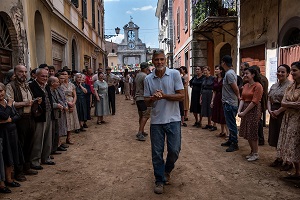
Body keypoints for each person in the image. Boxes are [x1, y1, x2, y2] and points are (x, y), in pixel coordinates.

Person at [144, 49, 184, 194]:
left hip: (173, 119)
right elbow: (146, 102)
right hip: (156, 121)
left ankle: (167, 170)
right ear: (152, 61)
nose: (159, 62)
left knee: (174, 150)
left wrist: (164, 95)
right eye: (156, 60)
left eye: (162, 59)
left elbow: (181, 96)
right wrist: (153, 98)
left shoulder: (174, 74)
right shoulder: (148, 79)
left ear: (165, 60)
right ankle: (159, 180)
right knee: (157, 152)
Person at [5, 65, 38, 180]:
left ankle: (27, 167)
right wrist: (24, 103)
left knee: (29, 144)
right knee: (20, 145)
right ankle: (18, 172)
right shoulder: (10, 86)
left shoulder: (26, 85)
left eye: (25, 72)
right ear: (15, 72)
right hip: (19, 119)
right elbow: (10, 103)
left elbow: (29, 101)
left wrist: (34, 102)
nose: (23, 74)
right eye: (21, 72)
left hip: (30, 117)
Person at [277, 61, 300, 179]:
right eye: (291, 70)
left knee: (297, 145)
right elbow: (283, 102)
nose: (292, 73)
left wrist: (288, 104)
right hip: (289, 119)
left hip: (298, 120)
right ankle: (297, 173)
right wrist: (292, 104)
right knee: (292, 145)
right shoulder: (291, 86)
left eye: (294, 70)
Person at [29, 68, 55, 169]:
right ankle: (35, 161)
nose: (45, 78)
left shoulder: (47, 86)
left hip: (48, 113)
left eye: (46, 76)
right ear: (36, 76)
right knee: (38, 138)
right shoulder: (31, 86)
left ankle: (46, 157)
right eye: (42, 76)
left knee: (48, 137)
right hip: (39, 116)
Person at [267, 64, 292, 170]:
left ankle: (288, 161)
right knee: (276, 135)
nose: (280, 74)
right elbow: (269, 98)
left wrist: (278, 111)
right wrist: (269, 110)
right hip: (273, 111)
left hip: (284, 112)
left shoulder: (290, 86)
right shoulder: (274, 85)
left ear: (287, 74)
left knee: (285, 136)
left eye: (283, 72)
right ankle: (279, 158)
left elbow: (290, 101)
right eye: (278, 71)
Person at [238, 67, 263, 161]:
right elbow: (242, 98)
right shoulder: (245, 85)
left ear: (253, 75)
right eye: (244, 74)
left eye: (247, 73)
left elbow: (255, 101)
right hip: (245, 108)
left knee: (252, 131)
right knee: (247, 130)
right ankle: (252, 151)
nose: (245, 75)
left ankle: (256, 153)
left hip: (253, 110)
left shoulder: (258, 86)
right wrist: (239, 110)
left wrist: (244, 112)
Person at [0, 83, 23, 189]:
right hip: (2, 134)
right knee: (3, 157)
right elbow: (4, 115)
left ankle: (9, 179)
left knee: (11, 156)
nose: (0, 93)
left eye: (1, 91)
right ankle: (2, 184)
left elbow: (17, 115)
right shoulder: (8, 103)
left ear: (4, 91)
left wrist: (9, 120)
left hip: (12, 132)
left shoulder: (6, 101)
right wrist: (9, 105)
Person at [220, 55, 240, 152]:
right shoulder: (229, 73)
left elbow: (235, 88)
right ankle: (231, 140)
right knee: (229, 122)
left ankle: (234, 143)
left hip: (230, 102)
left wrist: (238, 98)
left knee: (231, 124)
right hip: (228, 102)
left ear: (224, 62)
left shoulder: (229, 74)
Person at [59, 70, 80, 141]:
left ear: (68, 75)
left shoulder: (71, 85)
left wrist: (73, 103)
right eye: (63, 74)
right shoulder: (59, 85)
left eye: (66, 74)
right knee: (65, 120)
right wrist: (68, 103)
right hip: (64, 103)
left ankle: (69, 137)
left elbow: (75, 95)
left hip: (72, 102)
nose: (64, 76)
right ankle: (60, 139)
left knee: (71, 120)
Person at [134, 62, 151, 141]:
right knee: (145, 115)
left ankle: (142, 130)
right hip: (143, 98)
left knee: (141, 115)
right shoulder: (145, 76)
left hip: (138, 97)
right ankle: (140, 132)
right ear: (146, 68)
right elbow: (146, 87)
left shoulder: (138, 75)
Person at [210, 65, 227, 136]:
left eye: (217, 69)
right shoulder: (215, 79)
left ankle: (228, 133)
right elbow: (214, 91)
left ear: (221, 70)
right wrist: (212, 101)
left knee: (223, 115)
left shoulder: (225, 79)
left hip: (223, 97)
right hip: (217, 97)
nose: (215, 70)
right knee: (219, 114)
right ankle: (222, 131)